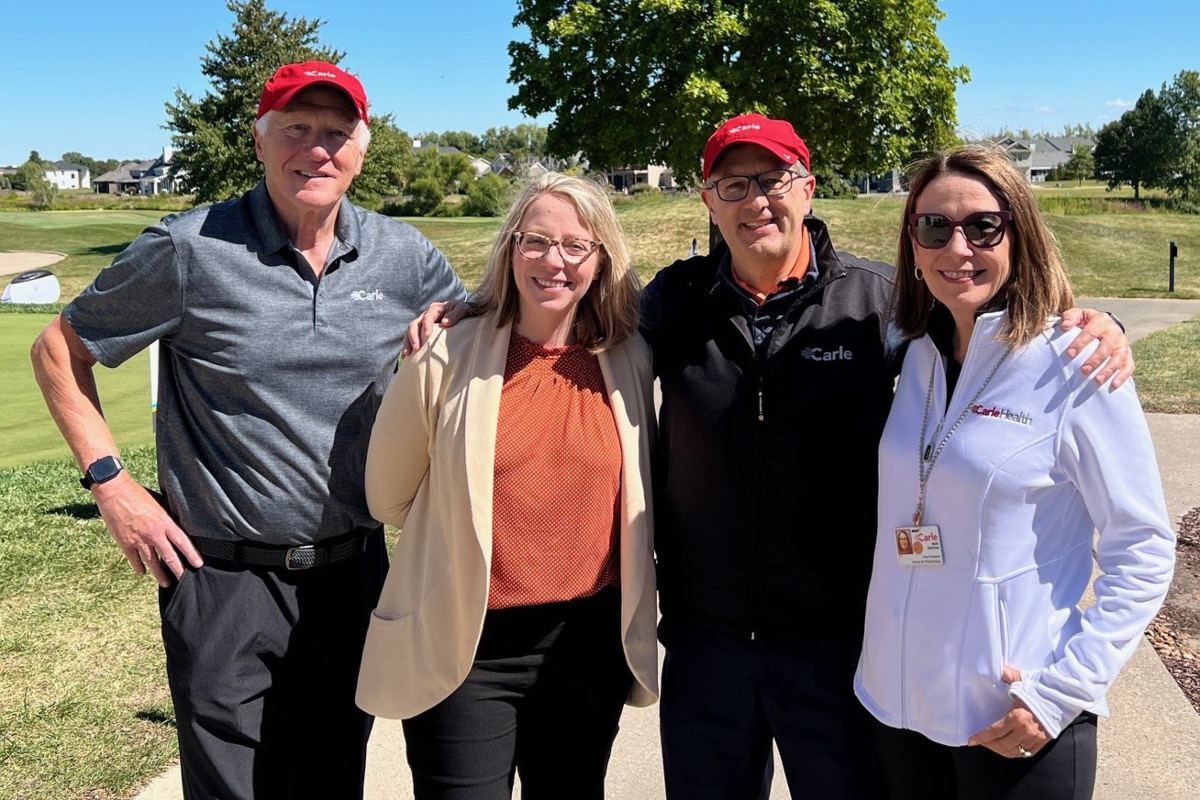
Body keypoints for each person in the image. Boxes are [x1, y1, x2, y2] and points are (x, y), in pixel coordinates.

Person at [404, 114, 1134, 799]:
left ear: (807, 188)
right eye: (734, 185)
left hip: (840, 646)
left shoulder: (883, 305)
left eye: (773, 180)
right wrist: (473, 306)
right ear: (709, 201)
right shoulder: (672, 302)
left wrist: (1102, 323)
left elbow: (1000, 334)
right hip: (706, 643)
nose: (756, 201)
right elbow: (564, 307)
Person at [29, 61, 466, 800]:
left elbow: (484, 340)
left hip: (353, 573)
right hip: (221, 578)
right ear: (260, 142)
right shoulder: (190, 249)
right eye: (296, 129)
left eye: (337, 132)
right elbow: (58, 350)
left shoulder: (405, 257)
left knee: (331, 780)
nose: (317, 149)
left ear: (363, 147)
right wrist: (113, 486)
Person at [854, 145, 1175, 800]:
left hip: (1012, 717)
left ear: (1018, 232)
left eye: (983, 226)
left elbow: (1141, 549)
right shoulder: (911, 350)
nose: (958, 247)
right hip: (899, 707)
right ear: (912, 241)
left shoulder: (1076, 363)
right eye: (934, 226)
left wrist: (1060, 692)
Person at [356, 172, 658, 800]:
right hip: (466, 645)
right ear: (510, 249)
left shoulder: (630, 359)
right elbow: (388, 497)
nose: (555, 260)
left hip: (586, 645)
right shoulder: (444, 353)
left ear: (601, 261)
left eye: (577, 245)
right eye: (536, 241)